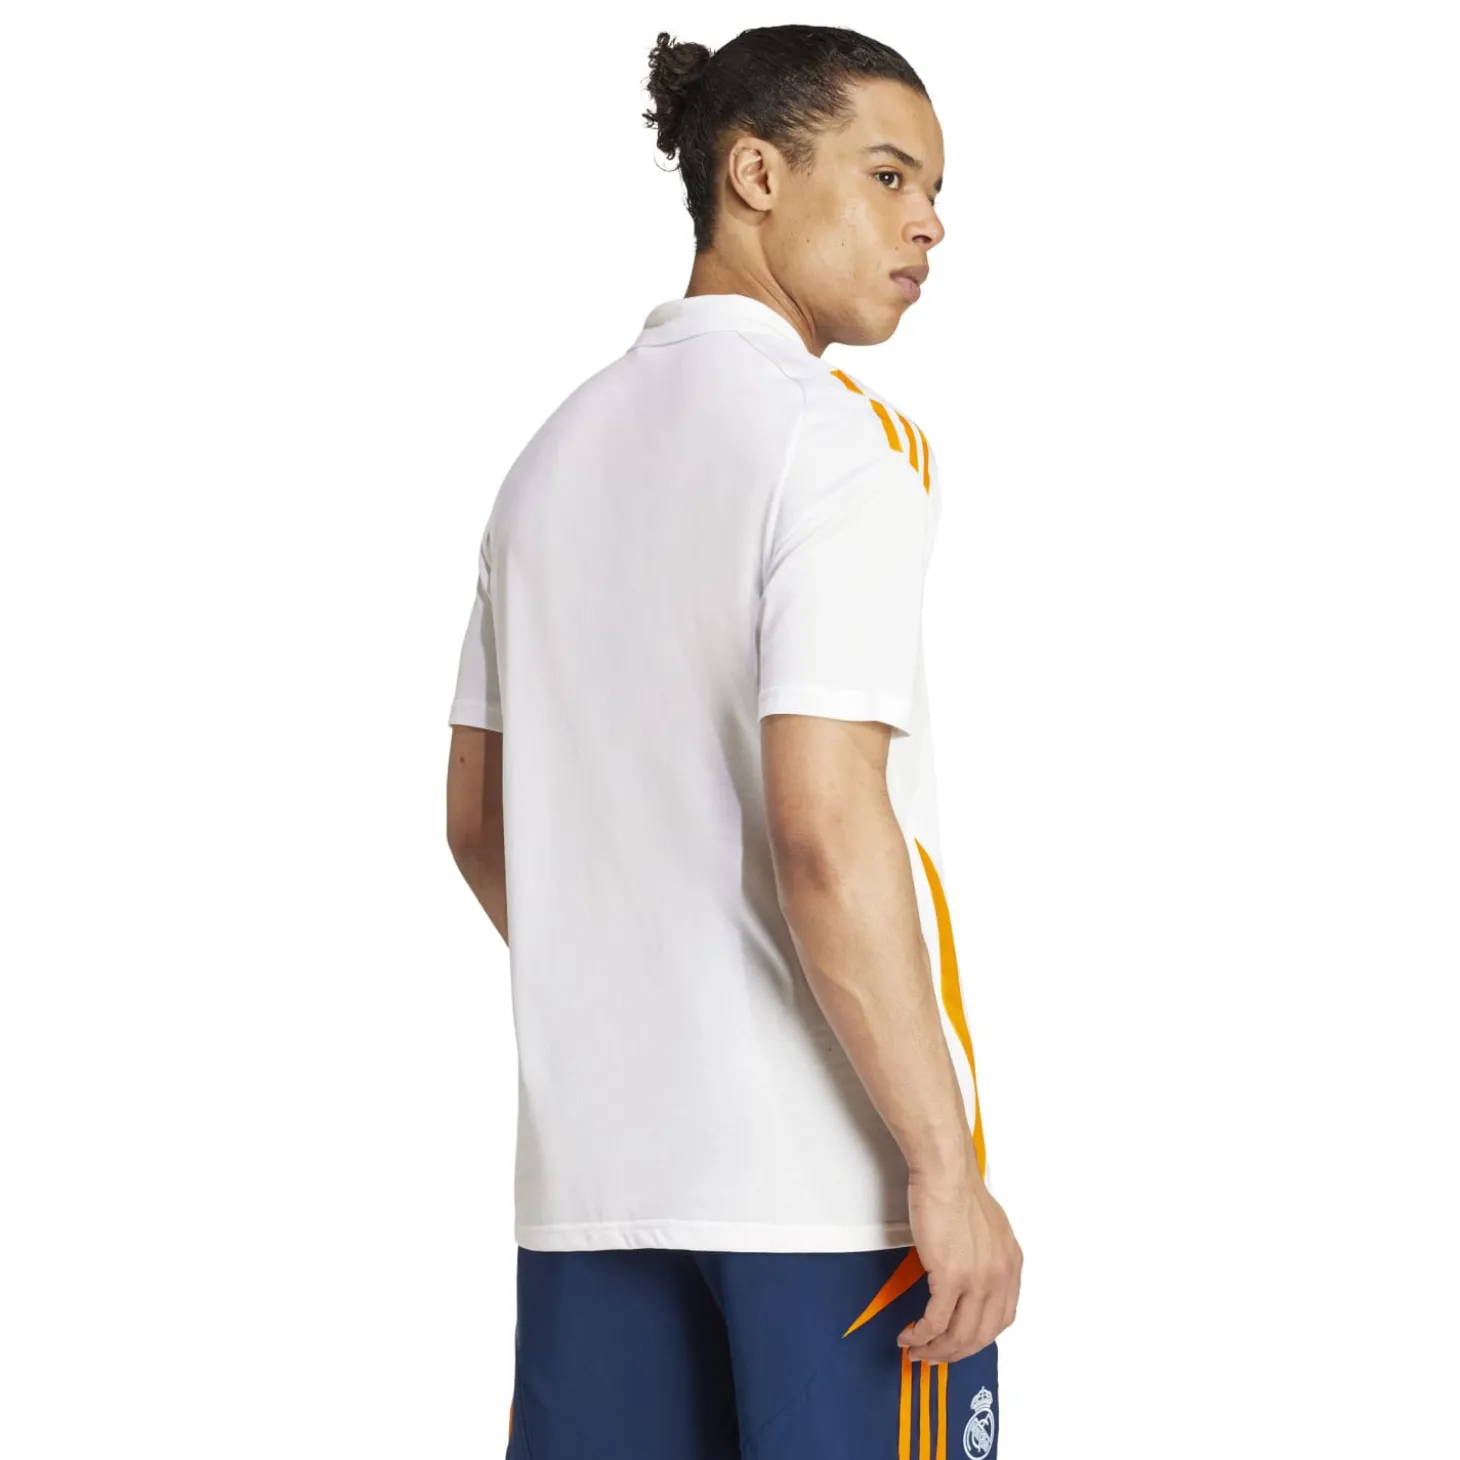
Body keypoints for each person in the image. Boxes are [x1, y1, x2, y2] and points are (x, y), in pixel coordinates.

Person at [445, 23, 1021, 1459]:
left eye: (934, 190)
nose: (929, 224)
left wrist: (643, 990)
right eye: (888, 175)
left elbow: (479, 821)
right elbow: (827, 827)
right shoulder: (834, 445)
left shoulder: (546, 462)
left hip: (592, 1186)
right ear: (754, 173)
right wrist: (943, 1167)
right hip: (825, 1197)